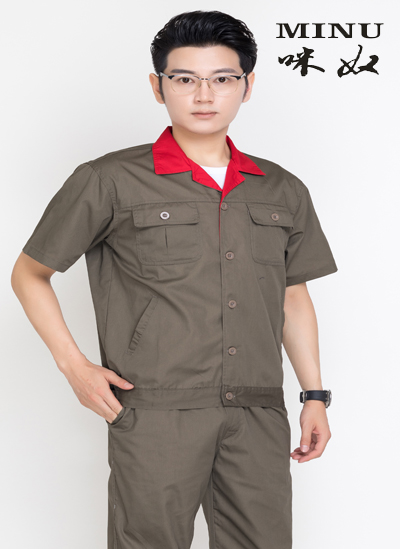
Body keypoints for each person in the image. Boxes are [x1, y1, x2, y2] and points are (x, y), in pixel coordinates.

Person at [11, 10, 338, 549]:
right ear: (157, 86)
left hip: (257, 410)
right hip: (155, 412)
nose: (204, 95)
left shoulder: (281, 189)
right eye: (185, 78)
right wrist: (76, 369)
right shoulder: (109, 179)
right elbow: (30, 272)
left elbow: (292, 294)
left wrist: (315, 395)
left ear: (247, 86)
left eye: (222, 78)